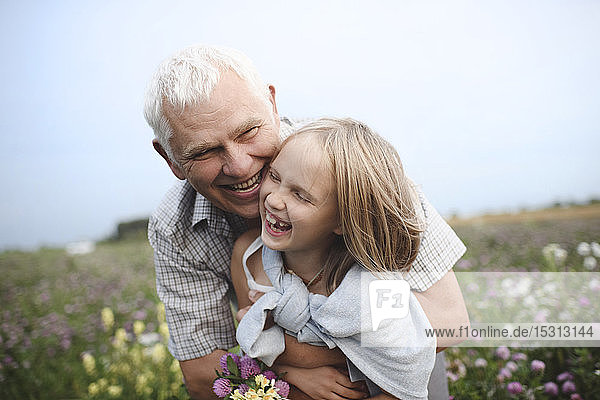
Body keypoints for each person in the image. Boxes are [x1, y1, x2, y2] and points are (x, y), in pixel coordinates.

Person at [144, 44, 469, 400]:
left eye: (248, 131)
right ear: (171, 159)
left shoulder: (353, 165)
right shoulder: (182, 231)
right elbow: (203, 375)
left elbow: (450, 322)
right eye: (204, 151)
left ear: (271, 104)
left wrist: (288, 353)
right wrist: (290, 374)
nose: (240, 166)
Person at [232, 117, 437, 399]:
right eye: (275, 177)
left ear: (343, 220)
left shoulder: (372, 289)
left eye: (301, 196)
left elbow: (407, 377)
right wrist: (296, 375)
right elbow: (253, 354)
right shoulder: (250, 257)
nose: (274, 200)